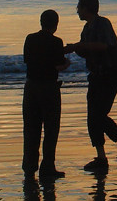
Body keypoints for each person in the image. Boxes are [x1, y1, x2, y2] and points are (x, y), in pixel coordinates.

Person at [64, 0, 117, 172]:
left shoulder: (102, 23)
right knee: (93, 116)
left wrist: (78, 46)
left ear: (87, 8)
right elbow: (87, 51)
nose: (77, 10)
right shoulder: (86, 28)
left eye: (79, 7)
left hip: (109, 74)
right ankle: (102, 157)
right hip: (96, 74)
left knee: (98, 115)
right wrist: (76, 49)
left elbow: (104, 45)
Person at [23, 9, 70, 179]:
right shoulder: (56, 42)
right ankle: (47, 166)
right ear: (55, 25)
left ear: (41, 22)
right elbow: (58, 65)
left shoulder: (30, 38)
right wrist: (67, 63)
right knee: (51, 129)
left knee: (30, 128)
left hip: (31, 86)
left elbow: (28, 60)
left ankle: (29, 167)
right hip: (49, 88)